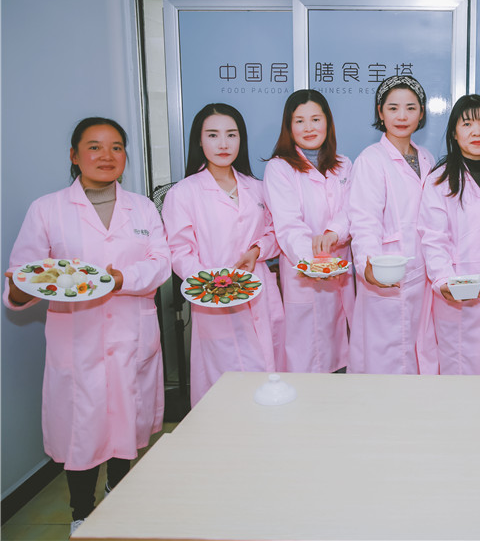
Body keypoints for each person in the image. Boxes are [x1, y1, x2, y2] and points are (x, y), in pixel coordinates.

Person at [3, 117, 171, 535]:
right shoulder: (47, 209)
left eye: (116, 147)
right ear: (74, 156)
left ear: (125, 156)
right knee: (83, 430)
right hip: (77, 339)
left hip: (131, 334)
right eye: (94, 146)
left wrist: (122, 279)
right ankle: (81, 512)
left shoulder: (142, 208)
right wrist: (20, 290)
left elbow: (161, 263)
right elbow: (25, 275)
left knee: (126, 423)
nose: (106, 155)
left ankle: (118, 493)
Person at [162, 103, 285, 405]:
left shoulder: (257, 188)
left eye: (231, 134)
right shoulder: (184, 193)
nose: (223, 144)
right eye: (213, 135)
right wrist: (212, 282)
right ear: (199, 140)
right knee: (225, 384)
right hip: (214, 299)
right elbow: (179, 250)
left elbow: (275, 234)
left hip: (259, 292)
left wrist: (257, 250)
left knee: (268, 376)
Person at [417, 94, 480, 375]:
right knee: (462, 365)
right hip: (458, 287)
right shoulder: (439, 180)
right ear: (454, 132)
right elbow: (433, 237)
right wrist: (443, 280)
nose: (477, 131)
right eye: (467, 124)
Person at [347, 75, 436, 374]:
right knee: (385, 355)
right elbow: (363, 219)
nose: (402, 116)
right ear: (380, 112)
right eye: (393, 108)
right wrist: (369, 264)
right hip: (386, 272)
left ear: (421, 113)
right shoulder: (371, 159)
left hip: (422, 272)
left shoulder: (427, 157)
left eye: (410, 108)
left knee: (418, 349)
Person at [263, 90, 353, 373]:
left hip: (342, 271)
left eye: (316, 119)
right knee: (308, 359)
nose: (309, 127)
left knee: (344, 355)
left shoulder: (344, 165)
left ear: (328, 122)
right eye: (299, 121)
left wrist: (334, 232)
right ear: (289, 127)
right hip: (304, 272)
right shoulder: (279, 168)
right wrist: (316, 264)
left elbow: (353, 210)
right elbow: (288, 224)